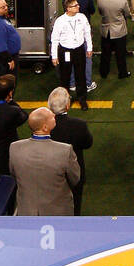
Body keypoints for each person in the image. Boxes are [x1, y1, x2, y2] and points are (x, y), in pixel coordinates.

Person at [9, 106, 80, 217]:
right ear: (45, 127)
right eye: (52, 117)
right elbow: (75, 179)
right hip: (58, 213)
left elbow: (14, 174)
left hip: (26, 211)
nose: (54, 116)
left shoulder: (15, 148)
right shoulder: (65, 150)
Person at [47, 85, 93, 215]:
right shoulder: (79, 125)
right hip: (74, 174)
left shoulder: (44, 126)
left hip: (50, 173)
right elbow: (88, 143)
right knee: (75, 207)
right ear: (67, 105)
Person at [50, 0, 93, 111]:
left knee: (81, 75)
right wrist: (54, 56)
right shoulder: (60, 21)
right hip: (65, 51)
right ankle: (64, 100)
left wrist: (89, 47)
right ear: (68, 8)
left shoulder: (82, 17)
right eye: (75, 5)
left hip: (79, 49)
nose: (78, 6)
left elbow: (87, 33)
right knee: (65, 77)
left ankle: (82, 99)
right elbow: (54, 39)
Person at [97, 0, 131, 80]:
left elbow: (100, 12)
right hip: (119, 31)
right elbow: (127, 13)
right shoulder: (122, 1)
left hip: (106, 30)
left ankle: (104, 72)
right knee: (120, 54)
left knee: (105, 53)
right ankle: (122, 73)